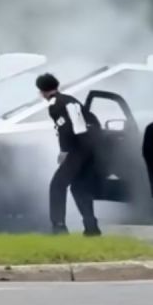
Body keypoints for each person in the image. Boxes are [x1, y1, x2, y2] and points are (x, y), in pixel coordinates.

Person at [36, 73, 102, 236]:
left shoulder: (55, 104)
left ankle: (59, 227)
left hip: (77, 149)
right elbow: (92, 121)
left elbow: (65, 129)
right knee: (79, 188)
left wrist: (64, 151)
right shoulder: (70, 99)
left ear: (42, 92)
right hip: (91, 148)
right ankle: (91, 227)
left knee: (57, 185)